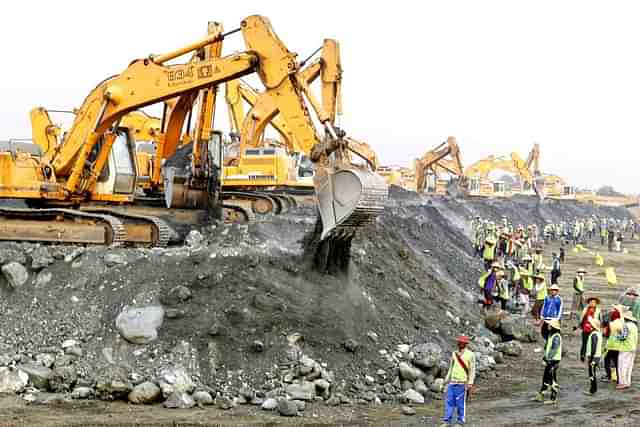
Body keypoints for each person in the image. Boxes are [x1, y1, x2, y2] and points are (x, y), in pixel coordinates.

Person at [441, 335, 476, 427]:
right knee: (449, 402)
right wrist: (446, 380)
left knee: (461, 404)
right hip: (452, 382)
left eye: (461, 342)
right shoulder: (454, 353)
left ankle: (460, 422)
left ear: (465, 344)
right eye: (459, 342)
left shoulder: (470, 355)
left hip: (462, 383)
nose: (459, 343)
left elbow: (472, 370)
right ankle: (447, 421)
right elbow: (451, 368)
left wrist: (470, 383)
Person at [534, 319, 562, 404]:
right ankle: (541, 394)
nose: (549, 327)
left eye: (550, 326)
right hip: (550, 359)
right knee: (546, 377)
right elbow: (547, 346)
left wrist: (547, 359)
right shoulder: (551, 335)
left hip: (553, 360)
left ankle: (553, 398)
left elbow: (554, 349)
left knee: (552, 379)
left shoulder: (556, 336)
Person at [616, 310, 638, 390]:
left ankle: (623, 383)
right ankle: (627, 382)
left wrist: (617, 334)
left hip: (625, 348)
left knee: (622, 366)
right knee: (629, 366)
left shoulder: (626, 325)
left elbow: (623, 337)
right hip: (633, 347)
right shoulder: (634, 326)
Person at [575, 296, 601, 362]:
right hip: (585, 328)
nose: (592, 303)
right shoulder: (585, 309)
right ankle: (582, 355)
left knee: (593, 343)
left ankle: (591, 356)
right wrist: (578, 326)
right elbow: (581, 318)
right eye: (591, 302)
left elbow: (600, 320)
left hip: (594, 329)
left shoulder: (598, 311)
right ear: (589, 303)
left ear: (596, 303)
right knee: (584, 342)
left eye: (594, 302)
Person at [604, 305, 624, 383]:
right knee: (617, 361)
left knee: (607, 360)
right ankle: (618, 377)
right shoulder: (622, 323)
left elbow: (606, 334)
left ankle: (609, 376)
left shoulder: (611, 323)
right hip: (619, 345)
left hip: (611, 345)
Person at [583, 317, 603, 396]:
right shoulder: (598, 333)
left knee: (591, 374)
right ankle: (593, 389)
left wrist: (591, 358)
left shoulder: (594, 334)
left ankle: (592, 390)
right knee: (592, 373)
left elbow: (593, 347)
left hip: (594, 357)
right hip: (596, 357)